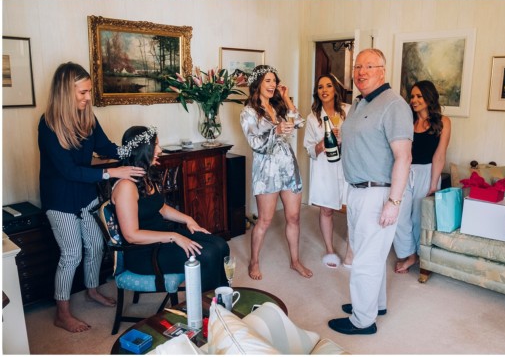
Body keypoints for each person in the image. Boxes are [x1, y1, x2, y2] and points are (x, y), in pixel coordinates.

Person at [38, 62, 145, 333]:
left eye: (88, 91)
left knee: (96, 245)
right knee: (72, 253)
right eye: (82, 92)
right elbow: (69, 171)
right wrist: (111, 172)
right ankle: (62, 311)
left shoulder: (88, 118)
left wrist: (139, 147)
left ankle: (92, 291)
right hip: (60, 200)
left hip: (85, 196)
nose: (88, 97)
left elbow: (106, 147)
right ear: (65, 92)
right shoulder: (48, 125)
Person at [327, 49, 413, 335]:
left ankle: (363, 321)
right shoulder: (360, 102)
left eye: (369, 66)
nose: (361, 72)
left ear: (382, 71)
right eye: (357, 66)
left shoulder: (395, 105)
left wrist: (394, 202)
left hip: (379, 193)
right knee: (369, 254)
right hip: (357, 191)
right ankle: (375, 305)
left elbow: (404, 157)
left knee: (364, 260)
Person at [110, 126, 230, 290]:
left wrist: (189, 219)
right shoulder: (126, 186)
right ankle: (208, 308)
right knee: (208, 255)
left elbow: (160, 208)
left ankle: (221, 298)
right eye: (155, 145)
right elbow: (131, 235)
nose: (159, 150)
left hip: (162, 237)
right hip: (144, 252)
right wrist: (174, 236)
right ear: (142, 149)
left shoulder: (145, 175)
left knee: (221, 245)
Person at [240, 65, 311, 280]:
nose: (272, 85)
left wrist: (286, 98)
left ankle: (295, 260)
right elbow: (255, 143)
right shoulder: (248, 113)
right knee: (264, 220)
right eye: (268, 81)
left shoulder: (278, 106)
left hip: (288, 166)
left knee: (294, 217)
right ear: (258, 83)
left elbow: (299, 121)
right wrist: (276, 130)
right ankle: (254, 261)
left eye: (274, 81)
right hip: (266, 170)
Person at [393, 81, 450, 274]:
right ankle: (409, 253)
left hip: (427, 172)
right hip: (404, 171)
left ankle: (420, 254)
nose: (414, 100)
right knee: (399, 215)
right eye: (412, 96)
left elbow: (440, 155)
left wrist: (434, 183)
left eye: (419, 96)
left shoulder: (444, 122)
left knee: (419, 218)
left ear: (428, 98)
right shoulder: (407, 121)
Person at [304, 73, 354, 269]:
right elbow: (309, 149)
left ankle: (351, 251)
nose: (324, 90)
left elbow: (360, 138)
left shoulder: (349, 112)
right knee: (326, 209)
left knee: (352, 209)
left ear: (335, 89)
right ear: (317, 92)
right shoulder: (312, 118)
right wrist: (322, 143)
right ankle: (330, 250)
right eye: (320, 87)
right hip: (324, 169)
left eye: (328, 86)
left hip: (347, 167)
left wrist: (344, 135)